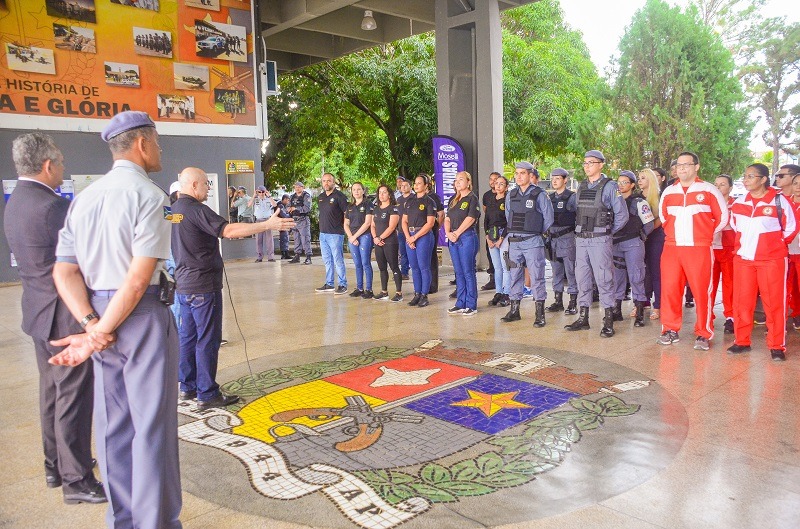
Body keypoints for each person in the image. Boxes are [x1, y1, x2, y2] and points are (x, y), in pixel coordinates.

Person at [49, 111, 181, 528]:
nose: (159, 151)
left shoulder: (85, 197)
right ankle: (155, 522)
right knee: (152, 427)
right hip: (139, 317)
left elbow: (64, 270)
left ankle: (121, 520)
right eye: (157, 143)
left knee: (113, 425)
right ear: (142, 145)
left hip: (99, 316)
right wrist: (99, 330)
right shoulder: (150, 196)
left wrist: (91, 324)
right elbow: (139, 278)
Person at [4, 133, 105, 505]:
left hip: (37, 311)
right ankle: (77, 481)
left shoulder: (17, 202)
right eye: (60, 163)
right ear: (48, 166)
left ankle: (55, 465)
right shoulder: (52, 207)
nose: (63, 169)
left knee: (51, 394)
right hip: (65, 317)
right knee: (73, 399)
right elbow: (82, 260)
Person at [172, 168, 295, 408]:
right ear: (194, 185)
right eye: (206, 184)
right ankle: (206, 393)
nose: (209, 188)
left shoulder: (174, 211)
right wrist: (266, 225)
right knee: (207, 338)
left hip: (184, 285)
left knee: (188, 337)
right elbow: (227, 231)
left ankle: (187, 386)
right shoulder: (197, 210)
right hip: (202, 286)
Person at [657, 151, 727, 350]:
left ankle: (703, 333)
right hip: (672, 248)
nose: (682, 168)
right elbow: (664, 218)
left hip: (699, 248)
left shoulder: (709, 190)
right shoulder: (669, 192)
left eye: (686, 164)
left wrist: (705, 235)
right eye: (679, 165)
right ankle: (670, 329)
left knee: (702, 292)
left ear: (696, 166)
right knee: (670, 290)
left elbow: (722, 217)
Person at [728, 163, 797, 361]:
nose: (746, 180)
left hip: (772, 260)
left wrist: (774, 245)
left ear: (763, 179)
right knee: (742, 301)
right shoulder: (740, 202)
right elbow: (735, 225)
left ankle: (777, 346)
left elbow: (791, 228)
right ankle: (741, 341)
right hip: (743, 260)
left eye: (751, 176)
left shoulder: (779, 201)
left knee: (774, 302)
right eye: (745, 176)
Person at [565, 150, 629, 337]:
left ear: (601, 164)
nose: (587, 166)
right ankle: (583, 317)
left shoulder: (610, 186)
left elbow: (622, 216)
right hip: (581, 239)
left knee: (604, 279)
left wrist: (607, 232)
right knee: (582, 278)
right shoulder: (582, 186)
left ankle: (608, 321)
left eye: (591, 163)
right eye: (584, 163)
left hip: (600, 239)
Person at [501, 162, 554, 326]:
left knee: (537, 277)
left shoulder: (540, 194)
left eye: (522, 173)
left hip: (532, 241)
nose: (518, 176)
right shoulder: (511, 194)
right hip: (515, 242)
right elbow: (508, 214)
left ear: (530, 175)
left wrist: (535, 231)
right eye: (516, 173)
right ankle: (514, 310)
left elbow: (549, 218)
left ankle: (540, 314)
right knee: (515, 276)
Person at [612, 171, 655, 327]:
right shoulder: (613, 201)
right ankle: (616, 310)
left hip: (633, 244)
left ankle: (639, 311)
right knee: (617, 278)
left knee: (636, 276)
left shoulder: (639, 202)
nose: (621, 185)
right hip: (615, 244)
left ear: (632, 185)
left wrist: (641, 236)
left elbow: (649, 224)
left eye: (625, 182)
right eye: (619, 182)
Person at [445, 171, 482, 316]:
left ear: (468, 182)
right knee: (458, 272)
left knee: (468, 271)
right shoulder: (453, 199)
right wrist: (448, 233)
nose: (457, 182)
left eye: (461, 179)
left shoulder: (472, 198)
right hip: (453, 238)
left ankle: (471, 304)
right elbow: (447, 218)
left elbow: (471, 218)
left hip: (466, 237)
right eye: (456, 180)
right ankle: (460, 302)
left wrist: (457, 233)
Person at [546, 168, 578, 315]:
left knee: (571, 271)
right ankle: (558, 301)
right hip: (553, 239)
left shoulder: (572, 197)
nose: (554, 181)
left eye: (558, 178)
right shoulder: (549, 198)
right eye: (553, 178)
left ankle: (572, 302)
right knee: (556, 271)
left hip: (567, 238)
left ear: (565, 180)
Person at [402, 174, 437, 307]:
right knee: (414, 267)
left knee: (424, 266)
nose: (416, 186)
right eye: (415, 183)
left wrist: (415, 237)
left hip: (423, 236)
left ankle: (424, 295)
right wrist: (408, 237)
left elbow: (430, 223)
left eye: (419, 183)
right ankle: (417, 293)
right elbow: (404, 221)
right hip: (409, 235)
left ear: (426, 185)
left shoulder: (429, 202)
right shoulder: (409, 201)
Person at [315, 173, 349, 294]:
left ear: (333, 182)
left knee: (338, 260)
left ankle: (342, 284)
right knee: (327, 260)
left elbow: (347, 214)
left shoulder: (340, 197)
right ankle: (329, 284)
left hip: (335, 234)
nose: (326, 183)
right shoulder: (321, 197)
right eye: (324, 181)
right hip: (323, 233)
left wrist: (346, 228)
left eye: (329, 181)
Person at [638, 168, 665, 320]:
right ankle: (643, 302)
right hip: (641, 239)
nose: (639, 181)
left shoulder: (660, 197)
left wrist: (647, 231)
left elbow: (661, 218)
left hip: (655, 237)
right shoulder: (637, 197)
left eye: (643, 178)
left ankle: (659, 306)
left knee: (656, 272)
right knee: (643, 273)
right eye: (639, 178)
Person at [712, 174, 736, 334]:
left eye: (722, 184)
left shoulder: (736, 205)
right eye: (716, 184)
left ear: (730, 187)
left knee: (730, 283)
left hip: (729, 248)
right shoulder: (709, 204)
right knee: (709, 284)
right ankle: (707, 315)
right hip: (712, 248)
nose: (719, 187)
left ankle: (731, 317)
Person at [371, 184, 403, 302]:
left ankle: (399, 293)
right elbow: (372, 225)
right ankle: (384, 292)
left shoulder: (393, 209)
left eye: (384, 192)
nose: (381, 195)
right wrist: (375, 237)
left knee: (394, 266)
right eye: (380, 192)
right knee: (382, 268)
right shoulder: (376, 209)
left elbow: (391, 227)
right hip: (377, 242)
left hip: (390, 242)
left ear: (389, 194)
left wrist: (380, 238)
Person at [344, 182, 375, 298]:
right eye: (354, 189)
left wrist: (355, 236)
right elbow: (346, 224)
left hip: (364, 236)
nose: (356, 191)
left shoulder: (368, 204)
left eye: (358, 189)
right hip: (352, 237)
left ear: (363, 191)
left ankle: (369, 289)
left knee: (365, 263)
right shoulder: (350, 206)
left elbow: (367, 223)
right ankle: (359, 288)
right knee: (357, 264)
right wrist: (351, 237)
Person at [485, 175, 510, 307]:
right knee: (497, 267)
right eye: (496, 183)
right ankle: (498, 291)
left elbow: (509, 221)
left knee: (506, 267)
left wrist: (502, 238)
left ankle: (507, 293)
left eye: (501, 184)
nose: (498, 185)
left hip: (504, 235)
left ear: (506, 187)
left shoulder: (507, 201)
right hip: (491, 234)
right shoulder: (490, 201)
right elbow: (486, 220)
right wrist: (487, 236)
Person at [480, 171, 500, 291]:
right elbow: (486, 212)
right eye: (491, 179)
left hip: (503, 230)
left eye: (495, 179)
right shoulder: (486, 196)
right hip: (490, 230)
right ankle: (492, 279)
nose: (493, 182)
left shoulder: (505, 195)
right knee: (490, 253)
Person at [250, 185, 278, 262]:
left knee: (269, 239)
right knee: (258, 239)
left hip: (267, 220)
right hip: (258, 220)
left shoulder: (268, 199)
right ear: (257, 192)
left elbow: (275, 205)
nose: (261, 193)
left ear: (265, 192)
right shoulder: (255, 200)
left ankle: (271, 256)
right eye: (260, 192)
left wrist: (269, 196)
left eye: (263, 192)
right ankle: (259, 257)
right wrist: (253, 196)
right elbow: (249, 205)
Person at [288, 181, 312, 264]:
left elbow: (307, 208)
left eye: (299, 187)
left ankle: (308, 257)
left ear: (303, 187)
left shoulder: (306, 196)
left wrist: (296, 208)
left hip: (303, 219)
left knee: (305, 238)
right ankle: (297, 256)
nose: (297, 188)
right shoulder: (292, 197)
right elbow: (288, 206)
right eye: (296, 187)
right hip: (294, 220)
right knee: (296, 239)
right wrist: (288, 209)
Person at [428, 178, 445, 294]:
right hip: (418, 232)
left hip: (432, 229)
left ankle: (433, 285)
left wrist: (437, 227)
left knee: (432, 257)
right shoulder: (415, 199)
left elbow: (441, 215)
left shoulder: (434, 197)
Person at [396, 177, 412, 279]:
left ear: (410, 187)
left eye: (406, 185)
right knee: (403, 252)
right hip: (401, 230)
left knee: (412, 251)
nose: (403, 187)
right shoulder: (399, 199)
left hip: (412, 230)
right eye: (402, 186)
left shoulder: (414, 198)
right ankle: (404, 272)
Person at [278, 194, 292, 259]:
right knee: (283, 239)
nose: (288, 201)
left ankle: (286, 253)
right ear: (285, 199)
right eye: (288, 200)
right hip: (282, 224)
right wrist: (289, 214)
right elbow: (284, 215)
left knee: (286, 239)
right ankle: (284, 254)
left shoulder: (284, 206)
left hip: (285, 224)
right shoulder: (280, 206)